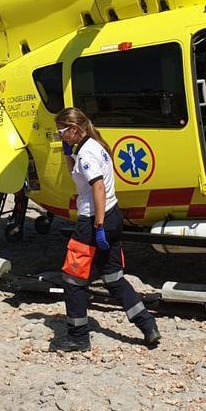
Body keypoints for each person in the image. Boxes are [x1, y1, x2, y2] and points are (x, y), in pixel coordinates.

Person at [54, 107, 159, 351]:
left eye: (62, 132)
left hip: (93, 220)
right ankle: (147, 323)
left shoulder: (86, 155)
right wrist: (67, 153)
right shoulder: (95, 145)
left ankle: (78, 337)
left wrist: (97, 226)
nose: (60, 136)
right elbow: (78, 176)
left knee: (73, 279)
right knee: (113, 278)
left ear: (75, 130)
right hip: (113, 215)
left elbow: (98, 188)